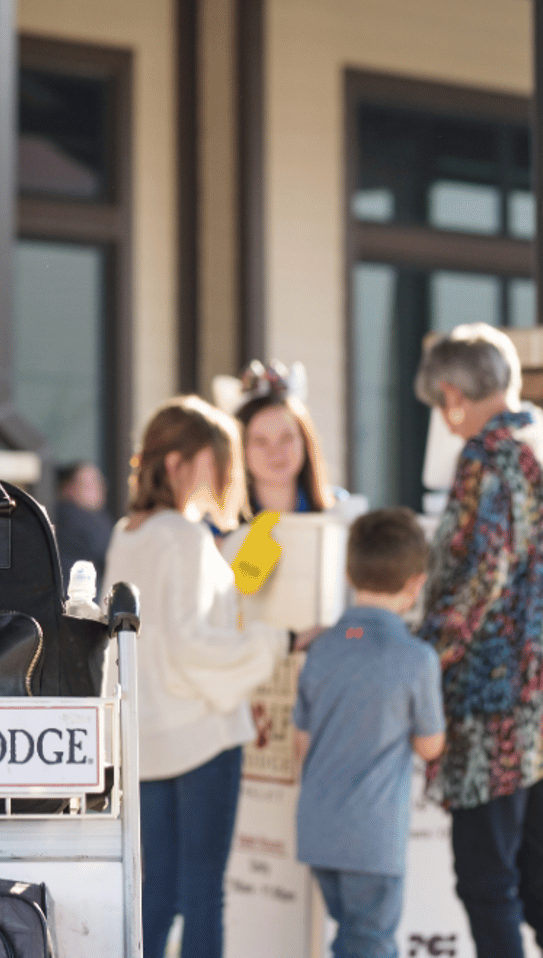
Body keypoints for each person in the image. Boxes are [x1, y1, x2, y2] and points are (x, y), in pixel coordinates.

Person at [103, 396, 320, 958]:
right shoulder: (184, 536)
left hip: (147, 740)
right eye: (217, 461)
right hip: (203, 737)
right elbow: (197, 644)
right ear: (177, 464)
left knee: (157, 894)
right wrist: (282, 641)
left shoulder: (127, 534)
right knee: (204, 895)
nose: (226, 475)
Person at [414, 323, 543, 958]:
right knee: (535, 876)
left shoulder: (488, 455)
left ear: (452, 393)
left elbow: (480, 576)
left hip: (491, 703)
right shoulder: (535, 441)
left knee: (486, 879)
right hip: (537, 701)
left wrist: (422, 654)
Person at [293, 508, 444, 958]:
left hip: (319, 831)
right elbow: (430, 745)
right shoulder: (416, 658)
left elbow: (301, 744)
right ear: (416, 583)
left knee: (353, 936)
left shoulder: (325, 646)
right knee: (370, 942)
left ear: (347, 573)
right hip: (373, 837)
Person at [228, 360, 340, 514]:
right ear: (239, 449)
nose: (275, 451)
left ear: (305, 441)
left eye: (286, 438)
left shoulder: (340, 513)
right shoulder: (217, 529)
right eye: (260, 441)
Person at [53, 460, 112, 581]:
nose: (100, 489)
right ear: (69, 489)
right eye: (91, 485)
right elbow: (112, 553)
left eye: (101, 483)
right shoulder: (81, 520)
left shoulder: (56, 515)